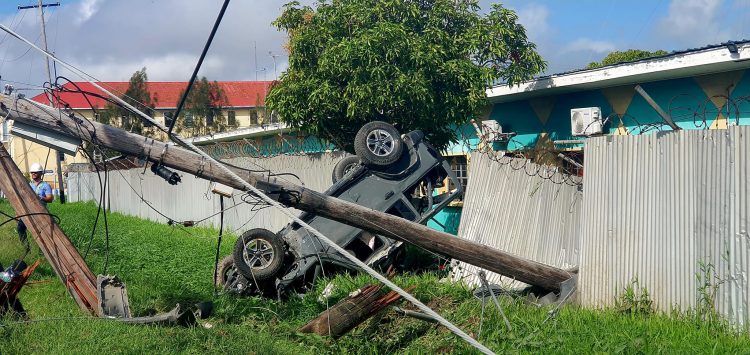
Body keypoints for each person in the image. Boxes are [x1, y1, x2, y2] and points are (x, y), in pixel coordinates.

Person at [17, 163, 53, 249]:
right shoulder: (28, 185)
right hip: (28, 211)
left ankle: (42, 251)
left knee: (41, 233)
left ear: (41, 173)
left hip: (39, 212)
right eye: (32, 172)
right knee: (20, 228)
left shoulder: (45, 186)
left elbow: (50, 199)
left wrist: (41, 198)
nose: (33, 174)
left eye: (35, 172)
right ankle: (26, 248)